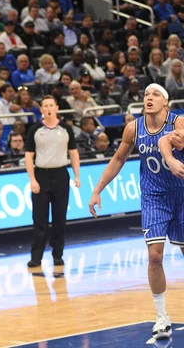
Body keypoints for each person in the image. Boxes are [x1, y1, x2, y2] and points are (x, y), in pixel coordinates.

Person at [90, 84, 184, 341]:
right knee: (155, 256)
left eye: (155, 95)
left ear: (166, 102)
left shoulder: (178, 123)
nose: (149, 98)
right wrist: (98, 189)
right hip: (154, 197)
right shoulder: (134, 127)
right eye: (146, 95)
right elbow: (118, 159)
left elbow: (167, 143)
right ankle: (162, 317)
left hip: (182, 194)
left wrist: (176, 157)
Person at [25, 95, 80, 268]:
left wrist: (77, 175)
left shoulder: (65, 129)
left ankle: (58, 254)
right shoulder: (35, 129)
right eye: (45, 106)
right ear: (41, 109)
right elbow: (28, 156)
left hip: (61, 175)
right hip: (41, 175)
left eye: (51, 105)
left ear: (56, 107)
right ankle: (36, 256)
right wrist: (32, 179)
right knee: (39, 219)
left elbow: (73, 153)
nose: (48, 108)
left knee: (59, 218)